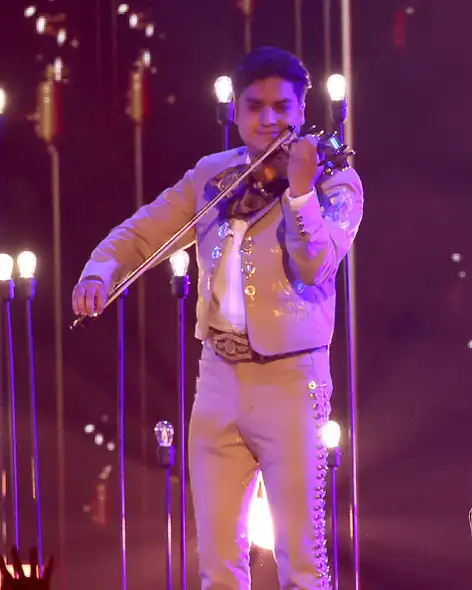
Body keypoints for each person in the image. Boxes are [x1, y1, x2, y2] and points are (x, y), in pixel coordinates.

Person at [71, 46, 363, 590]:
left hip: (292, 382)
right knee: (218, 567)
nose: (269, 119)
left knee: (303, 562)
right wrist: (98, 271)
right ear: (236, 111)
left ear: (302, 110)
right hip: (217, 380)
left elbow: (316, 264)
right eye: (256, 106)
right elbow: (142, 232)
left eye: (283, 106)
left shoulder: (334, 183)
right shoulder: (213, 176)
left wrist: (300, 193)